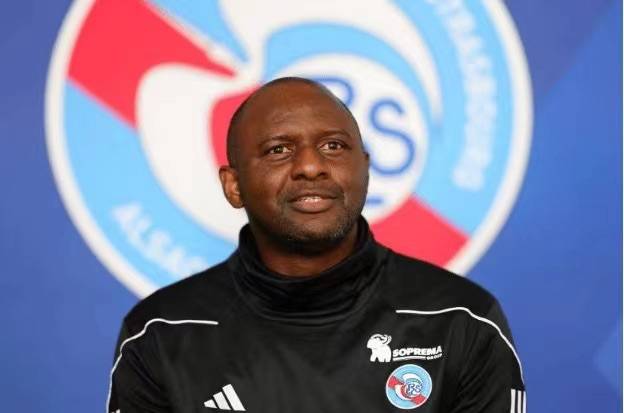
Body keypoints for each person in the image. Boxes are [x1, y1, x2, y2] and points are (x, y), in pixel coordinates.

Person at [107, 77, 526, 413]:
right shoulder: (162, 333)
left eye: (333, 146)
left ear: (364, 168)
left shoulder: (460, 320)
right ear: (234, 186)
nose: (310, 166)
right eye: (278, 149)